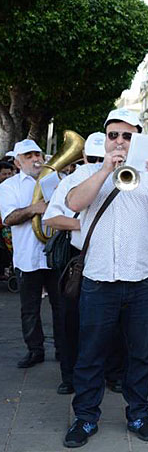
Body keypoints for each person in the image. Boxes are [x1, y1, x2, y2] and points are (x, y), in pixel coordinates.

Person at [62, 108, 148, 448]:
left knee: (140, 353)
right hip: (99, 279)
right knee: (91, 353)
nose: (119, 141)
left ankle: (139, 414)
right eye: (113, 135)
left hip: (140, 279)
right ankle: (85, 418)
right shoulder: (87, 172)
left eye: (127, 136)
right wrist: (103, 170)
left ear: (137, 139)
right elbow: (73, 202)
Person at [43, 132, 126, 396]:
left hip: (114, 256)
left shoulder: (124, 176)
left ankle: (113, 373)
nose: (101, 161)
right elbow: (51, 218)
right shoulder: (76, 178)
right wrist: (86, 225)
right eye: (95, 158)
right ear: (85, 158)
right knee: (72, 319)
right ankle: (70, 375)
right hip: (78, 257)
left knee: (116, 321)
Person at [0, 140, 64, 369]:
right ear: (17, 162)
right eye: (28, 156)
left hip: (54, 256)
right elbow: (8, 218)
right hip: (27, 256)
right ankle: (35, 350)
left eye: (37, 154)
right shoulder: (9, 186)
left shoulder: (56, 180)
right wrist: (33, 209)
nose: (36, 159)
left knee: (61, 306)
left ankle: (62, 348)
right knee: (29, 308)